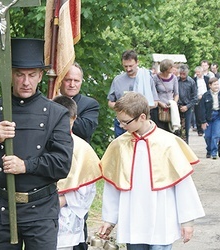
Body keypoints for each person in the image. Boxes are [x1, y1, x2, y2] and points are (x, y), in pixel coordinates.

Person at [0, 38, 73, 250]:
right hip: (1, 209)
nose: (26, 82)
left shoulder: (56, 114)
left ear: (40, 76)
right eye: (20, 74)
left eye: (32, 74)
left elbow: (62, 164)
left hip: (41, 211)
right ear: (10, 74)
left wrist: (25, 165)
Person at [98, 92, 205, 250]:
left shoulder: (168, 142)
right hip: (132, 217)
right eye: (119, 121)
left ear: (142, 117)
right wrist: (109, 219)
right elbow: (113, 185)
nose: (121, 126)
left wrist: (187, 221)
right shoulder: (119, 145)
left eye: (125, 122)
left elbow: (183, 184)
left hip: (162, 217)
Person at [53, 95, 101, 250]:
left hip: (67, 216)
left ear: (74, 119)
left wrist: (62, 200)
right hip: (38, 215)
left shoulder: (82, 149)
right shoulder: (38, 143)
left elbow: (87, 189)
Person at [107, 49, 159, 137]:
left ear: (137, 62)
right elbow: (110, 102)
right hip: (122, 124)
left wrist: (137, 107)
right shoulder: (117, 80)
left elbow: (155, 102)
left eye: (131, 66)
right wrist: (124, 108)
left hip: (141, 124)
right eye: (125, 66)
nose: (128, 69)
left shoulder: (147, 79)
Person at [151, 59, 179, 132]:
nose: (173, 69)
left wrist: (174, 103)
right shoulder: (155, 78)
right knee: (160, 130)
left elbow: (176, 93)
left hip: (171, 107)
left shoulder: (174, 78)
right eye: (171, 67)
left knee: (171, 130)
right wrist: (160, 103)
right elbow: (153, 93)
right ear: (167, 68)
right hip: (159, 107)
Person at [199, 77, 220, 159]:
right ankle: (209, 150)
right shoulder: (206, 95)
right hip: (208, 117)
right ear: (210, 85)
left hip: (217, 116)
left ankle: (214, 152)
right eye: (214, 84)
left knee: (216, 135)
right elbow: (202, 109)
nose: (216, 86)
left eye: (217, 84)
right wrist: (203, 121)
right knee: (208, 136)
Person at [177, 64, 198, 144]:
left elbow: (195, 98)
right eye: (181, 74)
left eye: (184, 74)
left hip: (187, 108)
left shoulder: (191, 82)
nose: (182, 76)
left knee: (186, 129)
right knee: (177, 128)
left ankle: (186, 145)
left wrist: (187, 106)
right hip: (177, 107)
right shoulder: (176, 80)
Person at [193, 66, 210, 136]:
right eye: (196, 73)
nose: (198, 74)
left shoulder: (207, 79)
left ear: (202, 72)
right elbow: (193, 90)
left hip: (206, 97)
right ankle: (199, 130)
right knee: (198, 114)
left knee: (207, 112)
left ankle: (206, 127)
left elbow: (209, 87)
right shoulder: (194, 80)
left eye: (199, 72)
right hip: (198, 98)